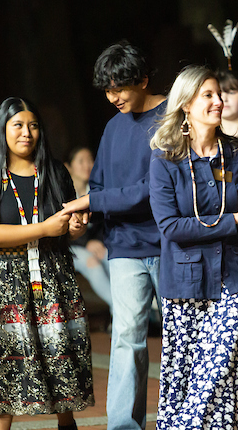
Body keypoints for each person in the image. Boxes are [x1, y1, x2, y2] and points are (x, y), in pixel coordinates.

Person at [0, 97, 94, 429]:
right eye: (17, 125)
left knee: (62, 367)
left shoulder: (53, 171)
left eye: (33, 125)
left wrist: (75, 229)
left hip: (51, 276)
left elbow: (66, 228)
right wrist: (46, 228)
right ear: (2, 131)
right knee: (1, 375)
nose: (26, 133)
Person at [149, 66, 238, 429]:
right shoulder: (164, 159)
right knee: (189, 376)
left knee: (221, 370)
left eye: (220, 94)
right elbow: (171, 228)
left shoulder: (236, 152)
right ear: (185, 104)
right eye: (209, 96)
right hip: (185, 282)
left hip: (235, 276)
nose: (220, 101)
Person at [61, 40, 167, 429]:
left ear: (142, 79)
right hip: (124, 245)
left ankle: (180, 417)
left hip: (172, 243)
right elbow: (100, 185)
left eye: (119, 88)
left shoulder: (172, 116)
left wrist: (90, 201)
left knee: (180, 338)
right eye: (107, 89)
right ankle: (123, 424)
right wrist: (83, 214)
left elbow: (151, 189)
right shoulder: (112, 126)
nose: (112, 97)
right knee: (127, 335)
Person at [65, 146, 112, 313]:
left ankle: (123, 314)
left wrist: (97, 241)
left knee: (109, 257)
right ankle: (120, 308)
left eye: (90, 160)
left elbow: (103, 223)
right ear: (68, 166)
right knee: (92, 263)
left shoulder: (95, 192)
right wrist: (87, 243)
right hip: (69, 248)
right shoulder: (62, 193)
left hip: (92, 244)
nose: (87, 165)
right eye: (81, 161)